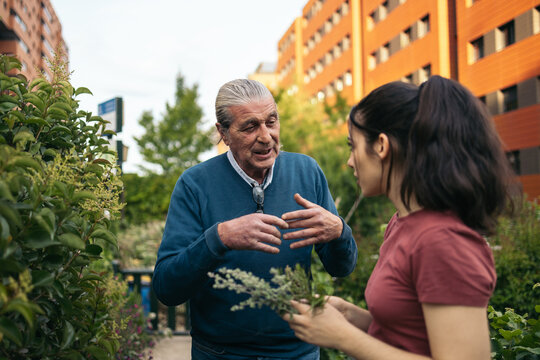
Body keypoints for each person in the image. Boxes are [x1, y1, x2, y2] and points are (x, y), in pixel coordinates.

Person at [283, 75, 517, 359]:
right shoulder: (401, 224)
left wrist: (343, 337)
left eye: (352, 146)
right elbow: (408, 337)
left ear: (381, 146)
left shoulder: (442, 241)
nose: (349, 161)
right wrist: (349, 315)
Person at [152, 79, 358, 359]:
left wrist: (339, 232)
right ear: (223, 133)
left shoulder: (306, 172)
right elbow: (167, 289)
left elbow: (340, 267)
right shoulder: (195, 184)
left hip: (297, 352)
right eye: (250, 127)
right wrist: (219, 238)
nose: (266, 136)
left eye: (271, 122)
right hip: (219, 353)